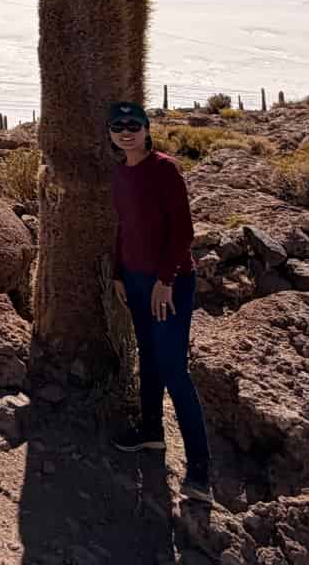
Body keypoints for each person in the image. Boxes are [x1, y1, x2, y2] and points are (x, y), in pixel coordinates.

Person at [105, 99, 212, 503]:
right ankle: (151, 433)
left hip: (170, 282)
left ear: (147, 128)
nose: (126, 130)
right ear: (111, 133)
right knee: (147, 357)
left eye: (134, 124)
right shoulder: (120, 173)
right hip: (133, 279)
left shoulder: (164, 169)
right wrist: (118, 273)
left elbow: (183, 231)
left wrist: (165, 280)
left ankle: (200, 470)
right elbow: (124, 228)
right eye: (118, 125)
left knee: (173, 368)